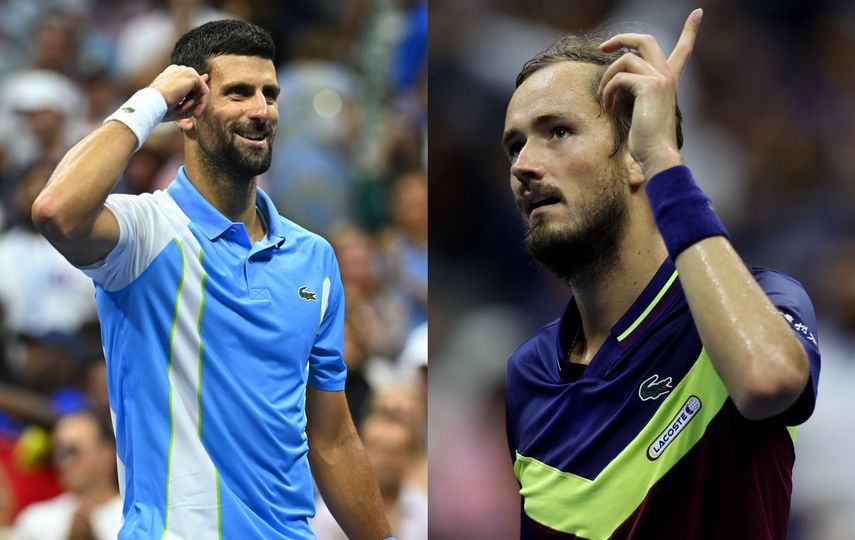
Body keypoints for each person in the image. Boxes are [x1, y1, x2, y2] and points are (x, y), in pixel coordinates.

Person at [32, 20, 393, 540]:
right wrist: (152, 98)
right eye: (239, 93)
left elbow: (333, 439)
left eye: (270, 94)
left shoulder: (315, 257)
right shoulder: (145, 232)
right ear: (187, 111)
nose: (261, 110)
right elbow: (55, 210)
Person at [501, 9, 820, 539]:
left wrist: (663, 157)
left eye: (557, 131)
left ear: (634, 155)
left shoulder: (762, 301)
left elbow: (768, 380)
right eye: (515, 145)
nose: (523, 165)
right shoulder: (528, 373)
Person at [310, 414, 428, 539]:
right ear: (361, 452)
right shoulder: (332, 510)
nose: (388, 462)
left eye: (396, 453)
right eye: (380, 451)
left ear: (410, 457)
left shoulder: (423, 508)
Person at [11, 410, 122, 540]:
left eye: (72, 451)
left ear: (107, 453)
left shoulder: (134, 520)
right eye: (58, 452)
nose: (62, 461)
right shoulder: (35, 520)